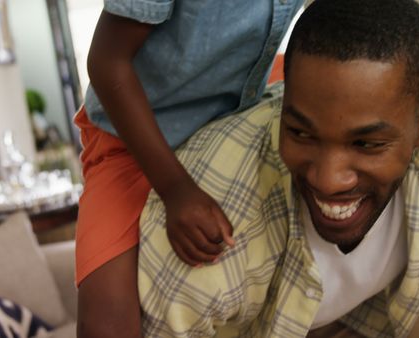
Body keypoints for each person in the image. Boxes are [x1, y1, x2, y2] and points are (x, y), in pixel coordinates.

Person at [137, 0, 419, 336]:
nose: (328, 179)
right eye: (301, 133)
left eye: (367, 143)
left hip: (375, 309)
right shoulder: (222, 214)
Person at [74, 1, 304, 337]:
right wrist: (175, 189)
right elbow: (107, 62)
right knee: (104, 323)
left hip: (238, 111)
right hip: (130, 139)